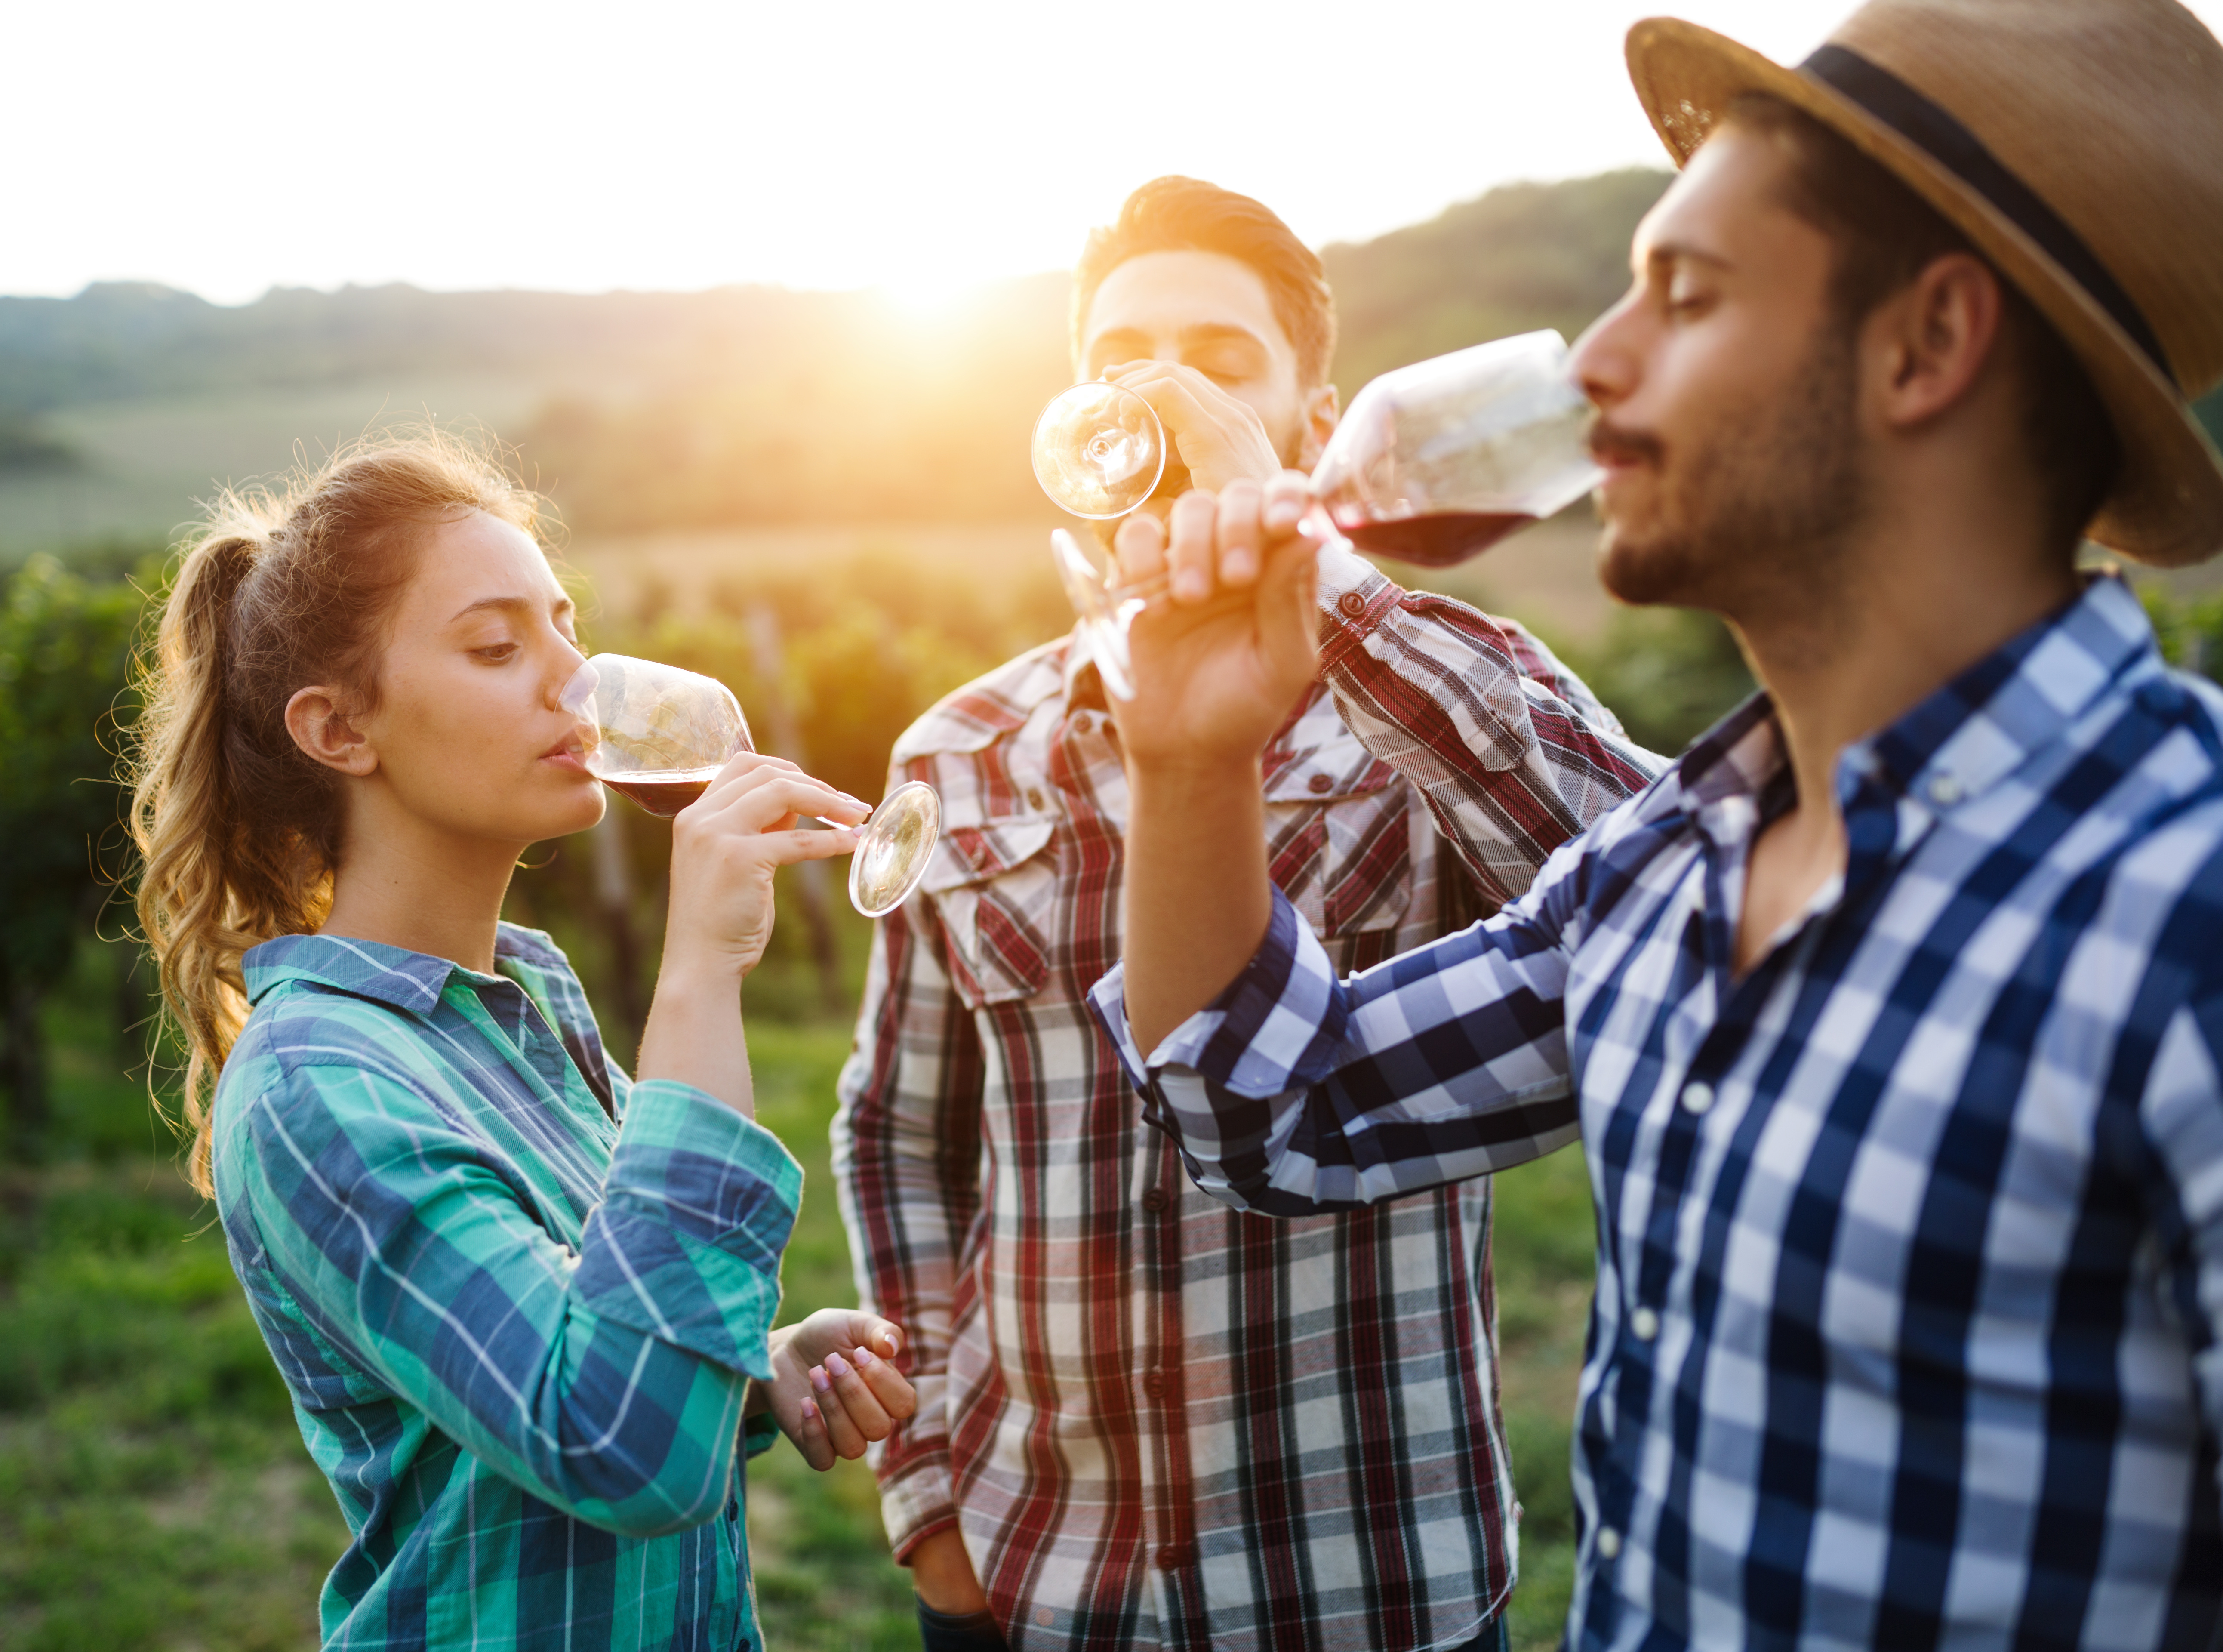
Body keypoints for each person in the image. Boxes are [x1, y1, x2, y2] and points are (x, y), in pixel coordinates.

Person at [1094, 3, 2223, 1647]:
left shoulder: (2188, 907)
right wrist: (1194, 763)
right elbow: (1277, 1113)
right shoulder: (1666, 864)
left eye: (1683, 295)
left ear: (1928, 346)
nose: (1596, 362)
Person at [834, 178, 1660, 1652]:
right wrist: (932, 1498)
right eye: (1116, 357)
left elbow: (1676, 895)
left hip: (1369, 1578)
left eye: (1217, 361)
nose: (1155, 390)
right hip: (1035, 1573)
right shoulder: (954, 756)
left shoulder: (1421, 706)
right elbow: (899, 1132)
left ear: (1308, 416)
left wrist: (1312, 568)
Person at [128, 436, 918, 1650]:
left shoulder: (528, 998)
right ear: (340, 729)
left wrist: (757, 1368)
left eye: (565, 630)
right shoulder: (316, 1087)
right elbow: (624, 1449)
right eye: (499, 648)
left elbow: (585, 1319)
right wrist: (702, 970)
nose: (577, 685)